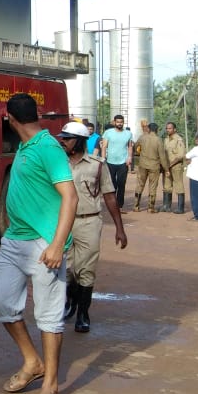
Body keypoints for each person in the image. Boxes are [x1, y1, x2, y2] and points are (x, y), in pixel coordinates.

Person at [0, 93, 77, 394]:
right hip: (14, 242)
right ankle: (32, 361)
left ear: (10, 119)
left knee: (49, 316)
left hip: (44, 244)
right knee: (3, 302)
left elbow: (70, 197)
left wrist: (57, 244)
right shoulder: (26, 147)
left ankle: (51, 385)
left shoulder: (48, 147)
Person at [55, 121, 127, 334]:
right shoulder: (58, 163)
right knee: (66, 269)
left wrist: (119, 229)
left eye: (67, 138)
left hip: (89, 221)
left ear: (79, 141)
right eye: (63, 138)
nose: (63, 141)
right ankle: (70, 301)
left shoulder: (97, 165)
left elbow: (110, 196)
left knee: (86, 270)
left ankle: (83, 314)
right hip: (63, 222)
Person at [99, 114, 133, 210]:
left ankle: (119, 205)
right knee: (112, 184)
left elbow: (130, 146)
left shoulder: (128, 134)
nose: (119, 124)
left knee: (121, 184)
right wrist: (103, 159)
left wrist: (129, 157)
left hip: (123, 162)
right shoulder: (108, 133)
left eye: (121, 122)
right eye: (118, 122)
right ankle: (112, 204)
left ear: (123, 123)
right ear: (114, 122)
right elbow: (104, 146)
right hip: (110, 161)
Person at [133, 120, 165, 213]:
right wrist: (166, 168)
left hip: (142, 164)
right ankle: (151, 208)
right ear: (157, 130)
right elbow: (162, 156)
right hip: (154, 166)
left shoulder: (142, 137)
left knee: (140, 184)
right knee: (153, 186)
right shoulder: (158, 140)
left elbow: (135, 146)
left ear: (148, 129)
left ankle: (136, 206)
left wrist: (139, 153)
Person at [161, 121, 187, 213]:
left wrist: (170, 164)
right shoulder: (166, 139)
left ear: (174, 129)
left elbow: (180, 155)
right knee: (166, 185)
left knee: (179, 185)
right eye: (167, 128)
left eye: (170, 128)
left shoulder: (178, 140)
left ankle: (181, 208)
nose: (168, 130)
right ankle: (166, 206)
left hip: (176, 166)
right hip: (167, 167)